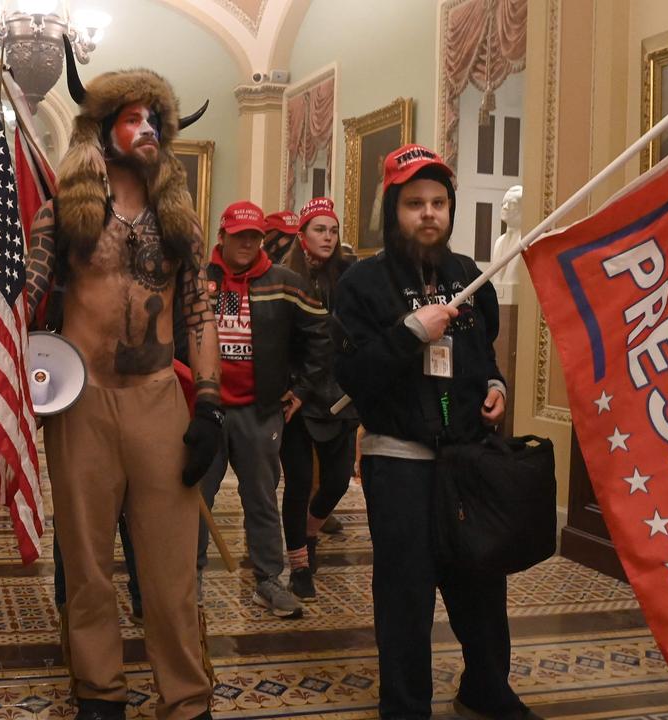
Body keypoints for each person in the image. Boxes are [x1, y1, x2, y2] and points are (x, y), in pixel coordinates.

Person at [22, 44, 221, 720]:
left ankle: (186, 697)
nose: (145, 130)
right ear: (104, 129)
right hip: (81, 403)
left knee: (171, 573)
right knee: (86, 568)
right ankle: (99, 692)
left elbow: (200, 310)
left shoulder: (180, 221)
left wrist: (212, 407)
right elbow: (25, 296)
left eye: (154, 120)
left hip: (159, 400)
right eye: (131, 118)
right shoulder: (64, 212)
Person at [332, 144, 536, 720]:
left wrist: (495, 387)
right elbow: (352, 377)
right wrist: (409, 333)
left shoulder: (469, 275)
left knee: (481, 580)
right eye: (414, 203)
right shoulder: (362, 284)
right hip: (399, 461)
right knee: (406, 591)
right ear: (393, 209)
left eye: (438, 203)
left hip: (469, 460)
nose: (428, 214)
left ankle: (486, 686)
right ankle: (404, 704)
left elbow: (482, 352)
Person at [195, 200, 330, 619]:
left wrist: (302, 389)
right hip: (206, 410)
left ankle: (269, 581)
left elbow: (321, 337)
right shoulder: (198, 282)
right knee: (196, 498)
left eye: (254, 235)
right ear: (223, 236)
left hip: (260, 410)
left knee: (262, 498)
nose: (247, 243)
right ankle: (190, 579)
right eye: (239, 236)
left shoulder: (286, 283)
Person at [276, 196, 359, 602]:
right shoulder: (285, 276)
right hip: (297, 397)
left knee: (339, 481)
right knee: (298, 484)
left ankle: (309, 533)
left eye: (332, 230)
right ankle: (299, 564)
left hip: (342, 396)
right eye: (319, 230)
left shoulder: (349, 275)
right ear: (302, 235)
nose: (328, 237)